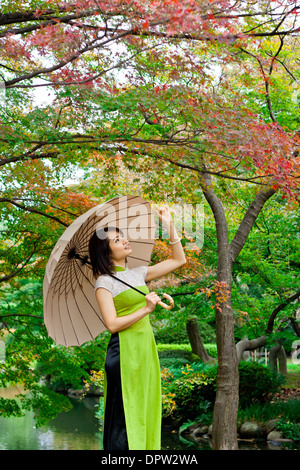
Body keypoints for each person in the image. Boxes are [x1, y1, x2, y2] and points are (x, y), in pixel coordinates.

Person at [88, 207, 186, 450]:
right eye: (117, 239)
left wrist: (169, 224)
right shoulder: (104, 282)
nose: (124, 240)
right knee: (123, 415)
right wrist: (146, 309)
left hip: (145, 350)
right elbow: (111, 324)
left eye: (122, 235)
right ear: (106, 250)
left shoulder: (138, 274)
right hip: (123, 353)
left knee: (146, 406)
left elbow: (179, 260)